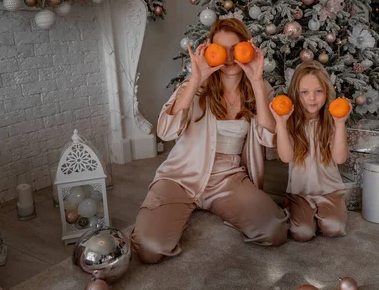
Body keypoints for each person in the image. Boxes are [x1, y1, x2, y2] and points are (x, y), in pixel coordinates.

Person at [131, 18, 289, 264]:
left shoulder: (259, 86)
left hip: (229, 178)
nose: (227, 57)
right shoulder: (195, 84)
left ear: (246, 47)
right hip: (181, 176)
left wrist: (258, 82)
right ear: (209, 50)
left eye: (234, 48)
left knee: (274, 230)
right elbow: (165, 131)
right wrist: (195, 80)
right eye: (220, 49)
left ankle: (216, 207)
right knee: (149, 248)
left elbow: (269, 138)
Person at [271, 61, 350, 242]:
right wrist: (281, 124)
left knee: (334, 228)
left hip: (329, 190)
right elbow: (286, 157)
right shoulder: (290, 121)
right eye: (304, 92)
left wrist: (340, 124)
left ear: (326, 91)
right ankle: (294, 206)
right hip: (301, 191)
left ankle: (327, 211)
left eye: (318, 91)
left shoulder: (331, 119)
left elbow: (339, 158)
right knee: (302, 233)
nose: (312, 98)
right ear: (296, 94)